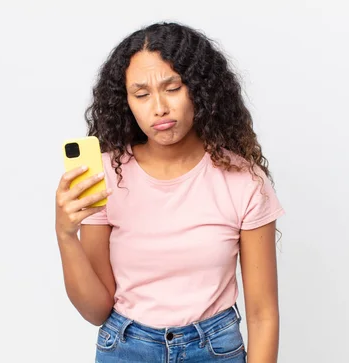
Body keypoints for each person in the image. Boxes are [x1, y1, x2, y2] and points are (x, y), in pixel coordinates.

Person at [54, 21, 285, 363]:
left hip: (214, 350)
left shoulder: (244, 181)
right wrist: (65, 235)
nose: (159, 107)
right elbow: (96, 310)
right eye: (141, 94)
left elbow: (263, 315)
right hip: (126, 348)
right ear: (126, 101)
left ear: (200, 89)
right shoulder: (106, 176)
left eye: (172, 88)